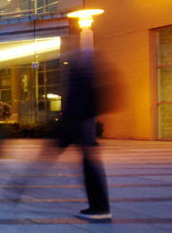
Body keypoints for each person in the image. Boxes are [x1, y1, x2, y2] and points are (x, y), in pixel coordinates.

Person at [57, 49, 112, 223]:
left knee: (91, 170)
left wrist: (69, 120)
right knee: (90, 169)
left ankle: (100, 208)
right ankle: (98, 206)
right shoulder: (88, 75)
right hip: (83, 127)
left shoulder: (80, 75)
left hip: (81, 127)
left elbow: (77, 102)